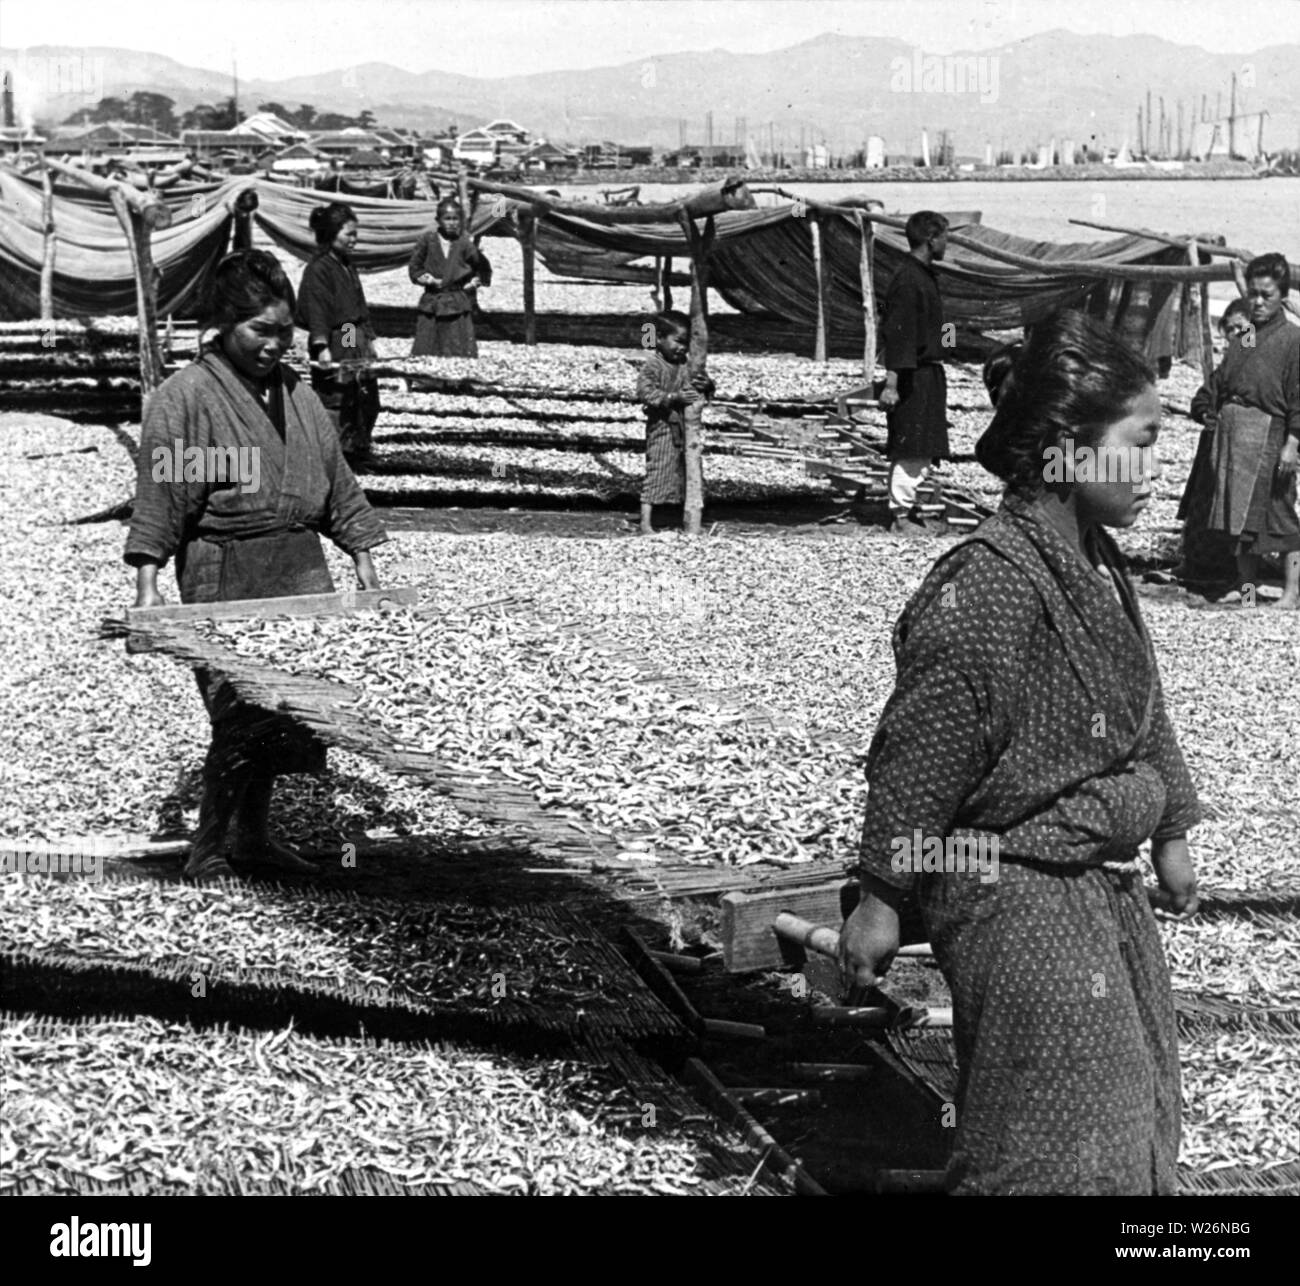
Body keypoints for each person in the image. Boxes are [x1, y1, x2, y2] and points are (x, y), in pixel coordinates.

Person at [839, 310, 1202, 1195]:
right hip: (1005, 878)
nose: (1158, 470)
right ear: (1073, 448)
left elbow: (1139, 702)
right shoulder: (989, 586)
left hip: (1090, 876)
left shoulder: (1099, 562)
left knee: (1134, 1099)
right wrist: (883, 901)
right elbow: (917, 760)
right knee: (1050, 1128)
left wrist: (1172, 830)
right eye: (1143, 443)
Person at [125, 250, 390, 884]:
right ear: (222, 324)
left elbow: (334, 478)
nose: (274, 345)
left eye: (284, 331)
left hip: (299, 567)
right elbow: (163, 494)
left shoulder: (296, 393)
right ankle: (208, 845)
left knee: (289, 716)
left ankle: (254, 835)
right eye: (259, 331)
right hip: (227, 568)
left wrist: (363, 558)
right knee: (240, 714)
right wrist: (148, 586)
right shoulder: (185, 398)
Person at [1188, 253, 1300, 609]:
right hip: (1235, 437)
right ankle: (1248, 593)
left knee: (1279, 517)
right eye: (1252, 294)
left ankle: (1290, 593)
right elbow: (1227, 376)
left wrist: (1292, 444)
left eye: (1266, 294)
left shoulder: (1293, 339)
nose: (1258, 301)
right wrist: (1208, 408)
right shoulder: (1249, 335)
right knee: (1239, 523)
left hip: (1270, 436)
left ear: (1282, 295)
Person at [880, 210, 951, 537]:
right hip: (913, 376)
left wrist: (948, 346)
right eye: (944, 237)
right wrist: (892, 383)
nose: (946, 243)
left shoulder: (925, 276)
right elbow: (898, 334)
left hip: (928, 372)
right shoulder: (909, 280)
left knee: (923, 443)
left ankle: (907, 508)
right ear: (930, 239)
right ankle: (900, 517)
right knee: (911, 444)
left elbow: (938, 327)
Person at [295, 202, 381, 466]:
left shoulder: (346, 264)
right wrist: (321, 346)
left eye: (356, 234)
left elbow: (359, 304)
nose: (354, 240)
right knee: (338, 393)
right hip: (336, 334)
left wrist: (369, 338)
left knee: (362, 390)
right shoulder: (319, 269)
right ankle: (335, 453)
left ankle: (358, 445)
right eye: (349, 234)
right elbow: (317, 309)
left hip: (350, 331)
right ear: (332, 234)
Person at [1174, 298, 1252, 587]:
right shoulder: (1225, 369)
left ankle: (1247, 587)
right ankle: (1196, 564)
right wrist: (1206, 413)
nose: (1234, 335)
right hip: (1213, 452)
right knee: (1203, 505)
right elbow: (1202, 397)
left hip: (1248, 453)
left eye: (1241, 329)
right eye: (1229, 330)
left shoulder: (1270, 365)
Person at [636, 311, 714, 534]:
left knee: (685, 468)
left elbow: (702, 387)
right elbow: (645, 391)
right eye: (678, 342)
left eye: (685, 343)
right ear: (659, 338)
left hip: (684, 427)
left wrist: (707, 385)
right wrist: (671, 398)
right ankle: (646, 521)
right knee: (659, 469)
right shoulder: (653, 365)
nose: (682, 348)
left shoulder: (686, 365)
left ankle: (682, 514)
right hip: (662, 427)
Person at [408, 198, 492, 357]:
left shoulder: (464, 243)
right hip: (432, 301)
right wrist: (425, 278)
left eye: (456, 219)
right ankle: (426, 379)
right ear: (438, 220)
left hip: (456, 301)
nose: (452, 223)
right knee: (427, 347)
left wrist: (475, 282)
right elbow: (415, 268)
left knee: (457, 347)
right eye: (447, 219)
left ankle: (456, 380)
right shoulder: (427, 240)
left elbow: (482, 266)